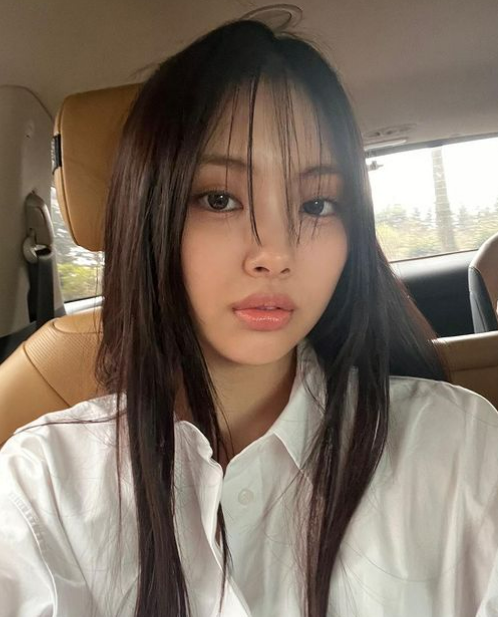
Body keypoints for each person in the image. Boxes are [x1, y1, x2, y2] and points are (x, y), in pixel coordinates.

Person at [1, 19, 498, 617]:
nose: (275, 253)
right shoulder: (43, 487)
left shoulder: (457, 445)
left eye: (317, 203)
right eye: (220, 199)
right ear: (151, 213)